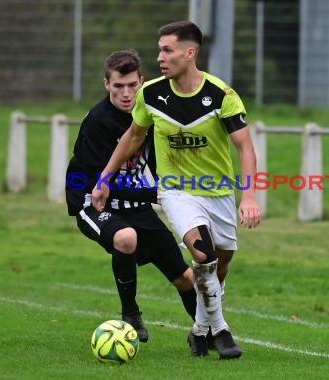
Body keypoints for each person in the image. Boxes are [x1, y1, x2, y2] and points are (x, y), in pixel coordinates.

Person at [92, 21, 261, 359]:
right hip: (176, 191)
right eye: (159, 50)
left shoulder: (221, 95)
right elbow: (133, 137)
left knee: (220, 264)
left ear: (190, 52)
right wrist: (104, 178)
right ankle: (221, 331)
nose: (160, 57)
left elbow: (245, 147)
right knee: (203, 254)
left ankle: (199, 330)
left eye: (167, 50)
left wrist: (249, 196)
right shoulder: (151, 93)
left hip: (218, 193)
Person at [65, 49, 198, 342]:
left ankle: (207, 330)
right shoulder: (98, 121)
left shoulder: (148, 116)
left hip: (136, 206)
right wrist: (158, 194)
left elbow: (155, 161)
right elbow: (101, 185)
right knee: (126, 237)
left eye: (131, 86)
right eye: (118, 86)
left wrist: (174, 189)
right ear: (106, 85)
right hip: (95, 203)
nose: (126, 94)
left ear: (141, 82)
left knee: (186, 278)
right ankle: (130, 314)